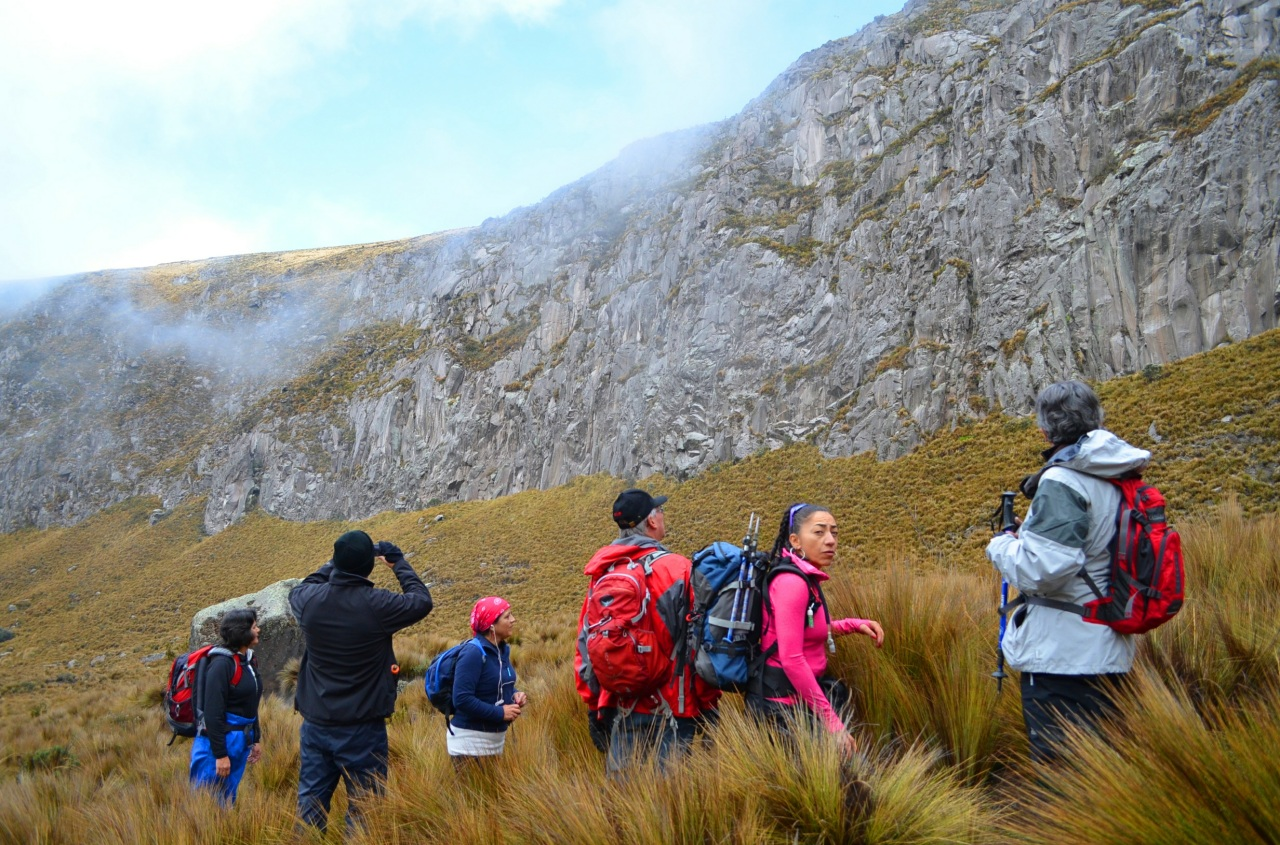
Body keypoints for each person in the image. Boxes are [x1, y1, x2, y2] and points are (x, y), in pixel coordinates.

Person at [986, 380, 1150, 762]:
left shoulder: (1064, 479)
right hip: (1108, 646)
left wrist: (1001, 545)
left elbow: (1043, 570)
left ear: (1044, 429)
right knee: (1102, 771)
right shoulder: (1117, 475)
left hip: (1063, 658)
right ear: (1096, 419)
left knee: (1063, 775)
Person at [289, 530, 433, 833]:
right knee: (366, 811)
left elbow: (309, 583)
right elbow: (421, 601)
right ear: (369, 566)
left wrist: (337, 560)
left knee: (310, 809)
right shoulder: (378, 605)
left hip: (316, 726)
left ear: (337, 562)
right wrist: (398, 562)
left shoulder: (309, 601)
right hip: (362, 729)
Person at [574, 488, 720, 777]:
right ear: (651, 522)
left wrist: (595, 705)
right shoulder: (680, 569)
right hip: (676, 708)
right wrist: (708, 703)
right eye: (660, 511)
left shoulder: (603, 576)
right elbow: (700, 644)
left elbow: (585, 645)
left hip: (621, 707)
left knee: (621, 807)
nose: (663, 516)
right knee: (672, 808)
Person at [745, 503, 884, 757]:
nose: (830, 540)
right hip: (782, 713)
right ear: (795, 541)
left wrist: (854, 625)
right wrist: (833, 724)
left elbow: (809, 629)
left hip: (797, 704)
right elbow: (792, 659)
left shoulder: (804, 577)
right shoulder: (792, 583)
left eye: (834, 532)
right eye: (819, 532)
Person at [189, 608, 263, 805]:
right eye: (254, 626)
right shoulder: (222, 665)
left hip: (239, 740)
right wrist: (220, 755)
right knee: (206, 802)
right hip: (216, 743)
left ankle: (224, 833)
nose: (259, 630)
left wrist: (255, 739)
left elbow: (251, 704)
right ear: (242, 632)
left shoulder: (248, 662)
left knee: (227, 798)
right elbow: (213, 713)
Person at [448, 596, 527, 767]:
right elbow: (461, 699)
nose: (513, 620)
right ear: (492, 625)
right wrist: (500, 713)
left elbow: (495, 684)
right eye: (507, 616)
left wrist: (514, 694)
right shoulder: (473, 653)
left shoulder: (502, 650)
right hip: (469, 747)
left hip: (494, 744)